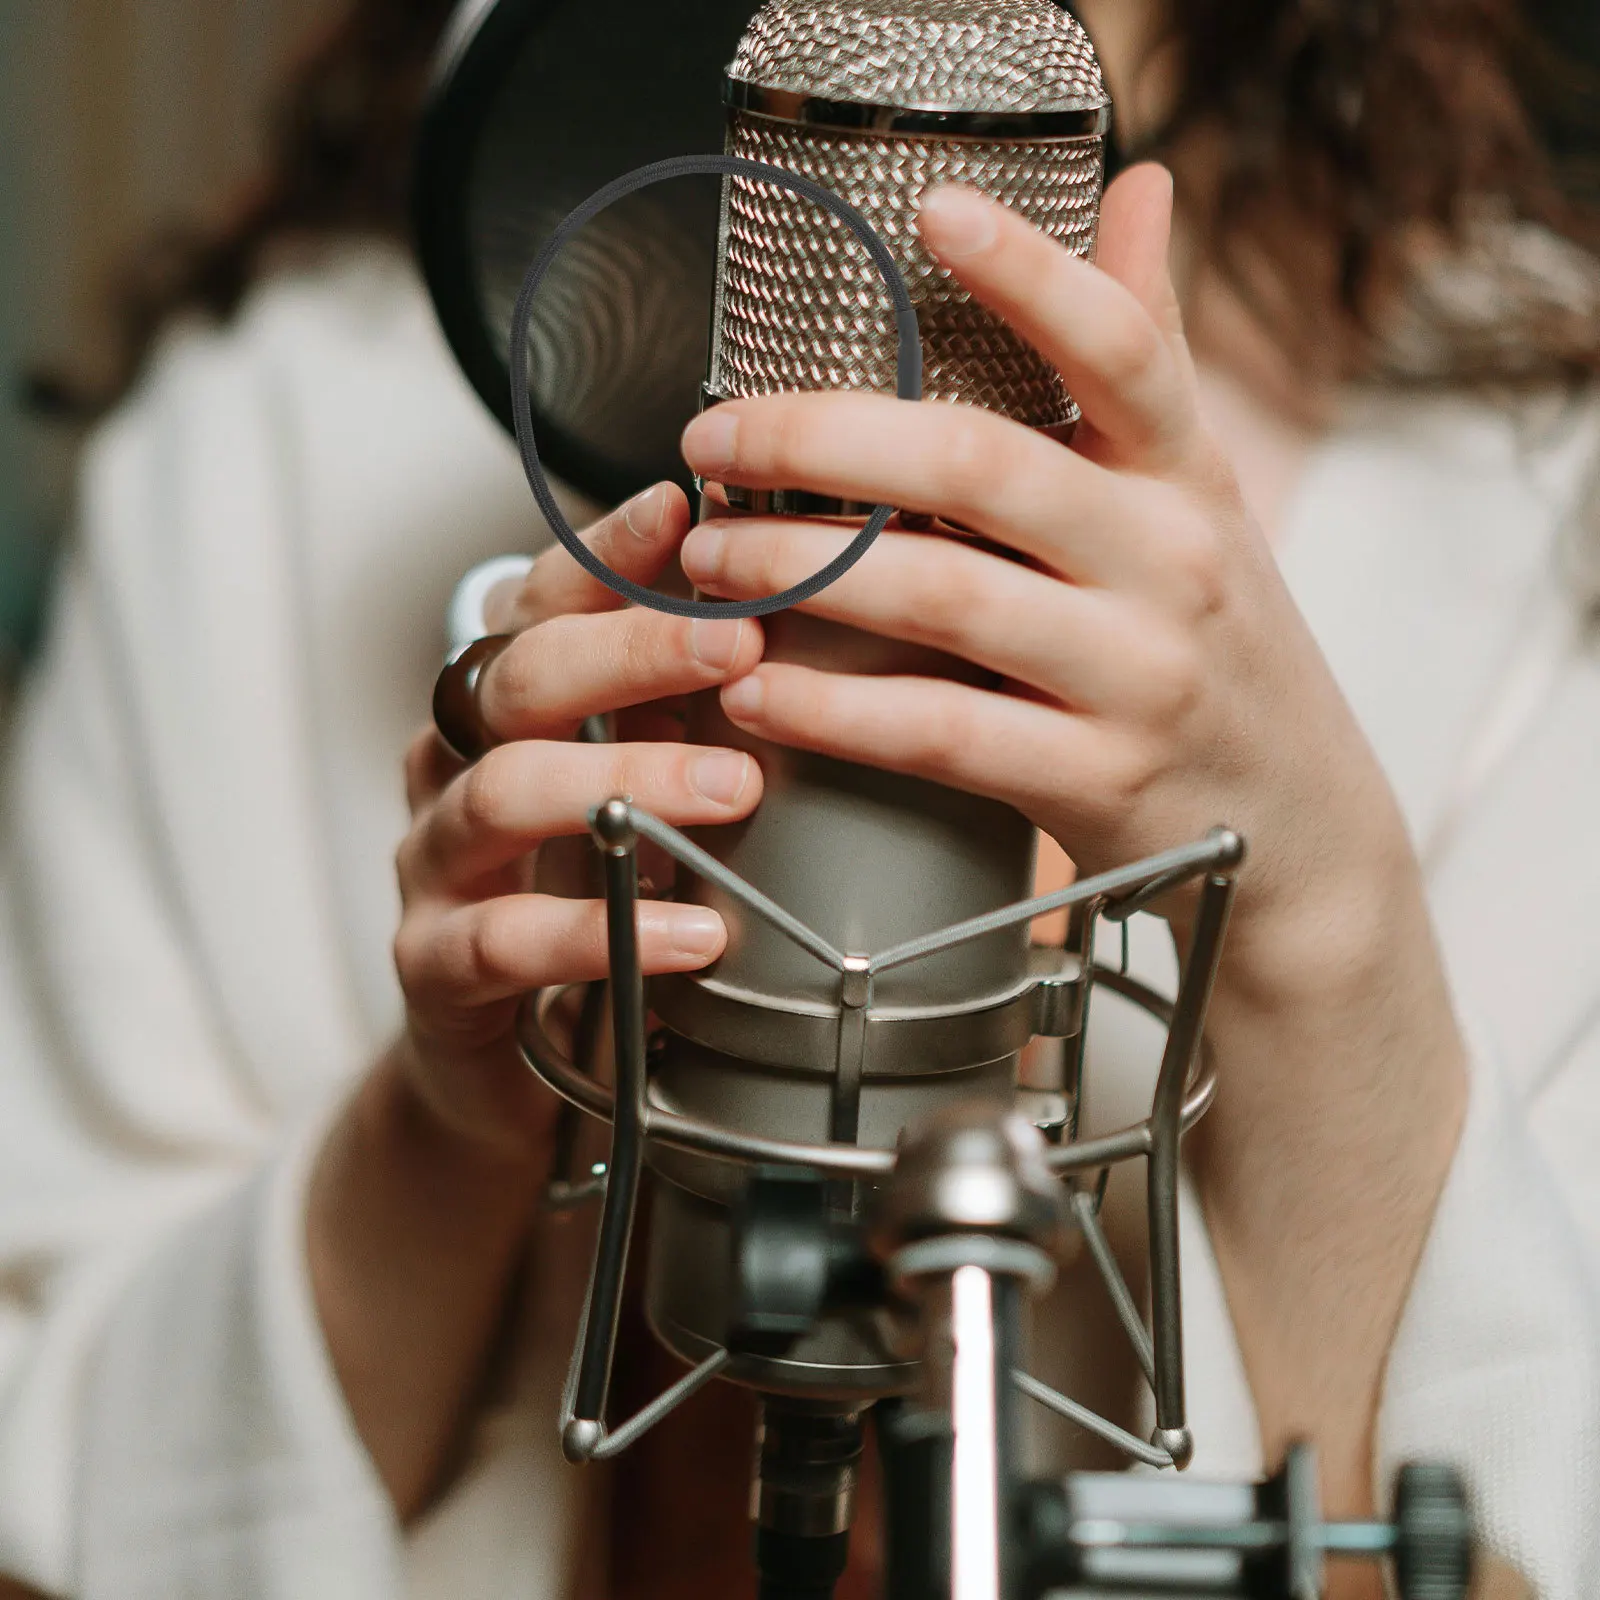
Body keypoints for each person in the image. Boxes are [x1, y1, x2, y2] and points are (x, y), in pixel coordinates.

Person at [0, 1, 1595, 1597]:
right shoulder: (266, 448)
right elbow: (59, 1469)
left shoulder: (1546, 503)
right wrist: (444, 1129)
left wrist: (1317, 924)